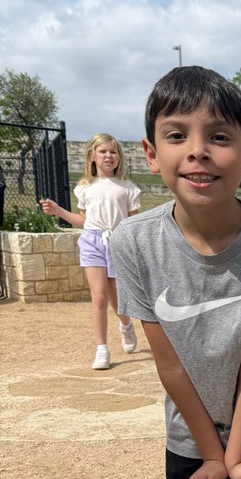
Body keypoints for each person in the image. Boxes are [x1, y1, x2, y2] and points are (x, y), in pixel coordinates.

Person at [109, 66, 241, 479]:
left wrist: (234, 457)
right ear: (150, 153)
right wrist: (212, 455)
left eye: (219, 137)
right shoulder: (132, 242)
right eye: (177, 135)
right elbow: (170, 365)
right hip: (190, 441)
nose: (198, 151)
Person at [41, 133, 141, 369]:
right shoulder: (85, 188)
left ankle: (126, 326)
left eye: (113, 151)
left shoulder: (128, 188)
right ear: (92, 156)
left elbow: (132, 224)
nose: (109, 155)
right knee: (99, 297)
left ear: (119, 157)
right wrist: (59, 211)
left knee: (118, 300)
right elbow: (84, 221)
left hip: (118, 243)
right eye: (103, 151)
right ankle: (102, 350)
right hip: (92, 242)